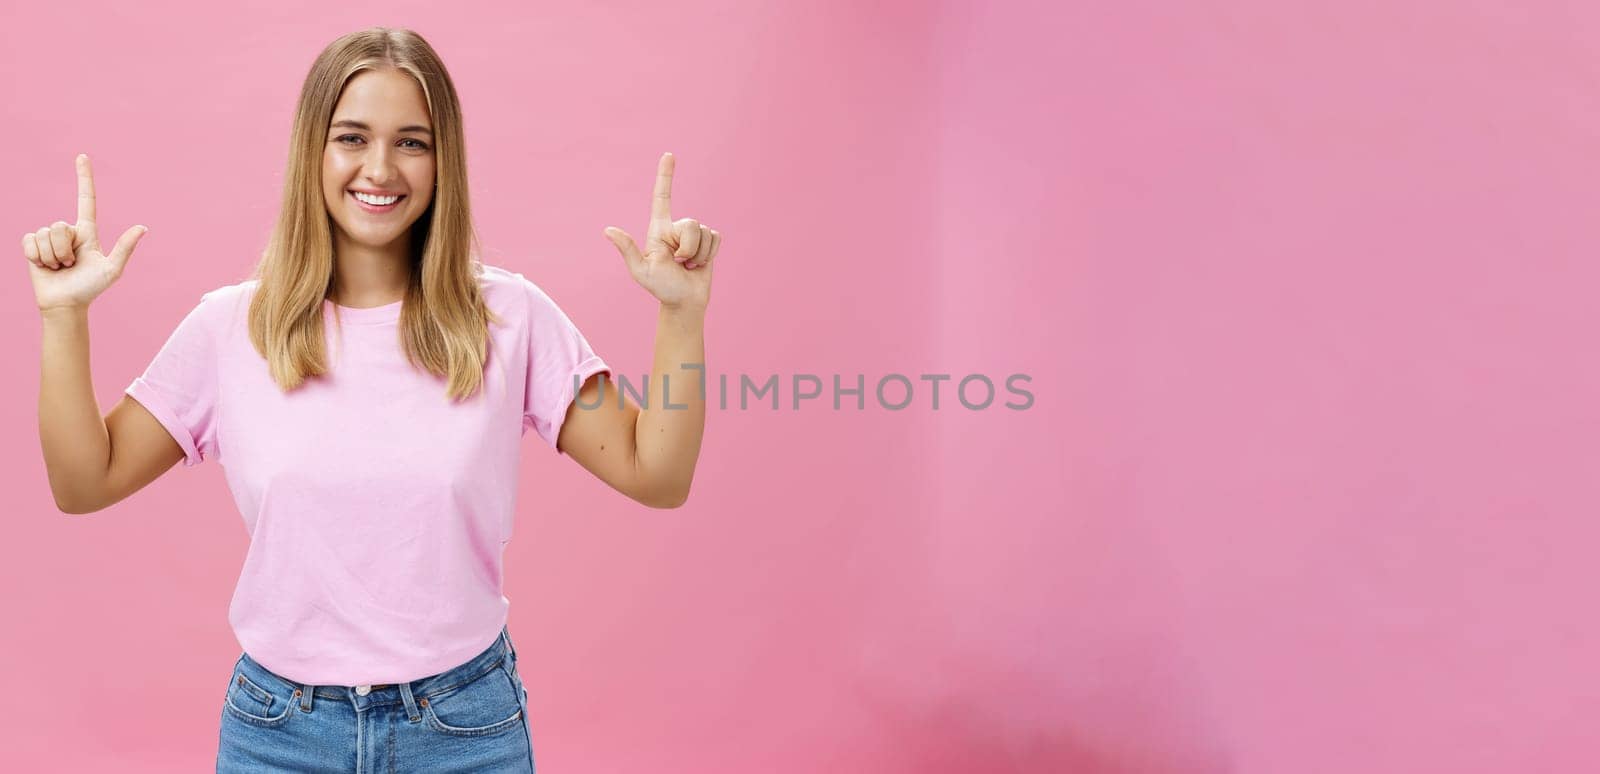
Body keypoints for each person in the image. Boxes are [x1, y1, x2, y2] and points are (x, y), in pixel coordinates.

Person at [27, 26, 720, 773]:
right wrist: (63, 318)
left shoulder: (510, 318)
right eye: (351, 137)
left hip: (464, 730)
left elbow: (658, 474)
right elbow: (83, 481)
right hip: (278, 734)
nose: (380, 168)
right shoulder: (232, 327)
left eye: (412, 142)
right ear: (312, 152)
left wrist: (681, 316)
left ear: (442, 158)